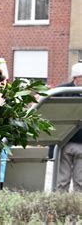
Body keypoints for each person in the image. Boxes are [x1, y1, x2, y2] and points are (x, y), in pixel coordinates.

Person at [56, 62, 82, 192]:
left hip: (81, 144)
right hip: (65, 142)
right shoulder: (62, 91)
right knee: (62, 180)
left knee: (80, 181)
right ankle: (60, 207)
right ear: (75, 78)